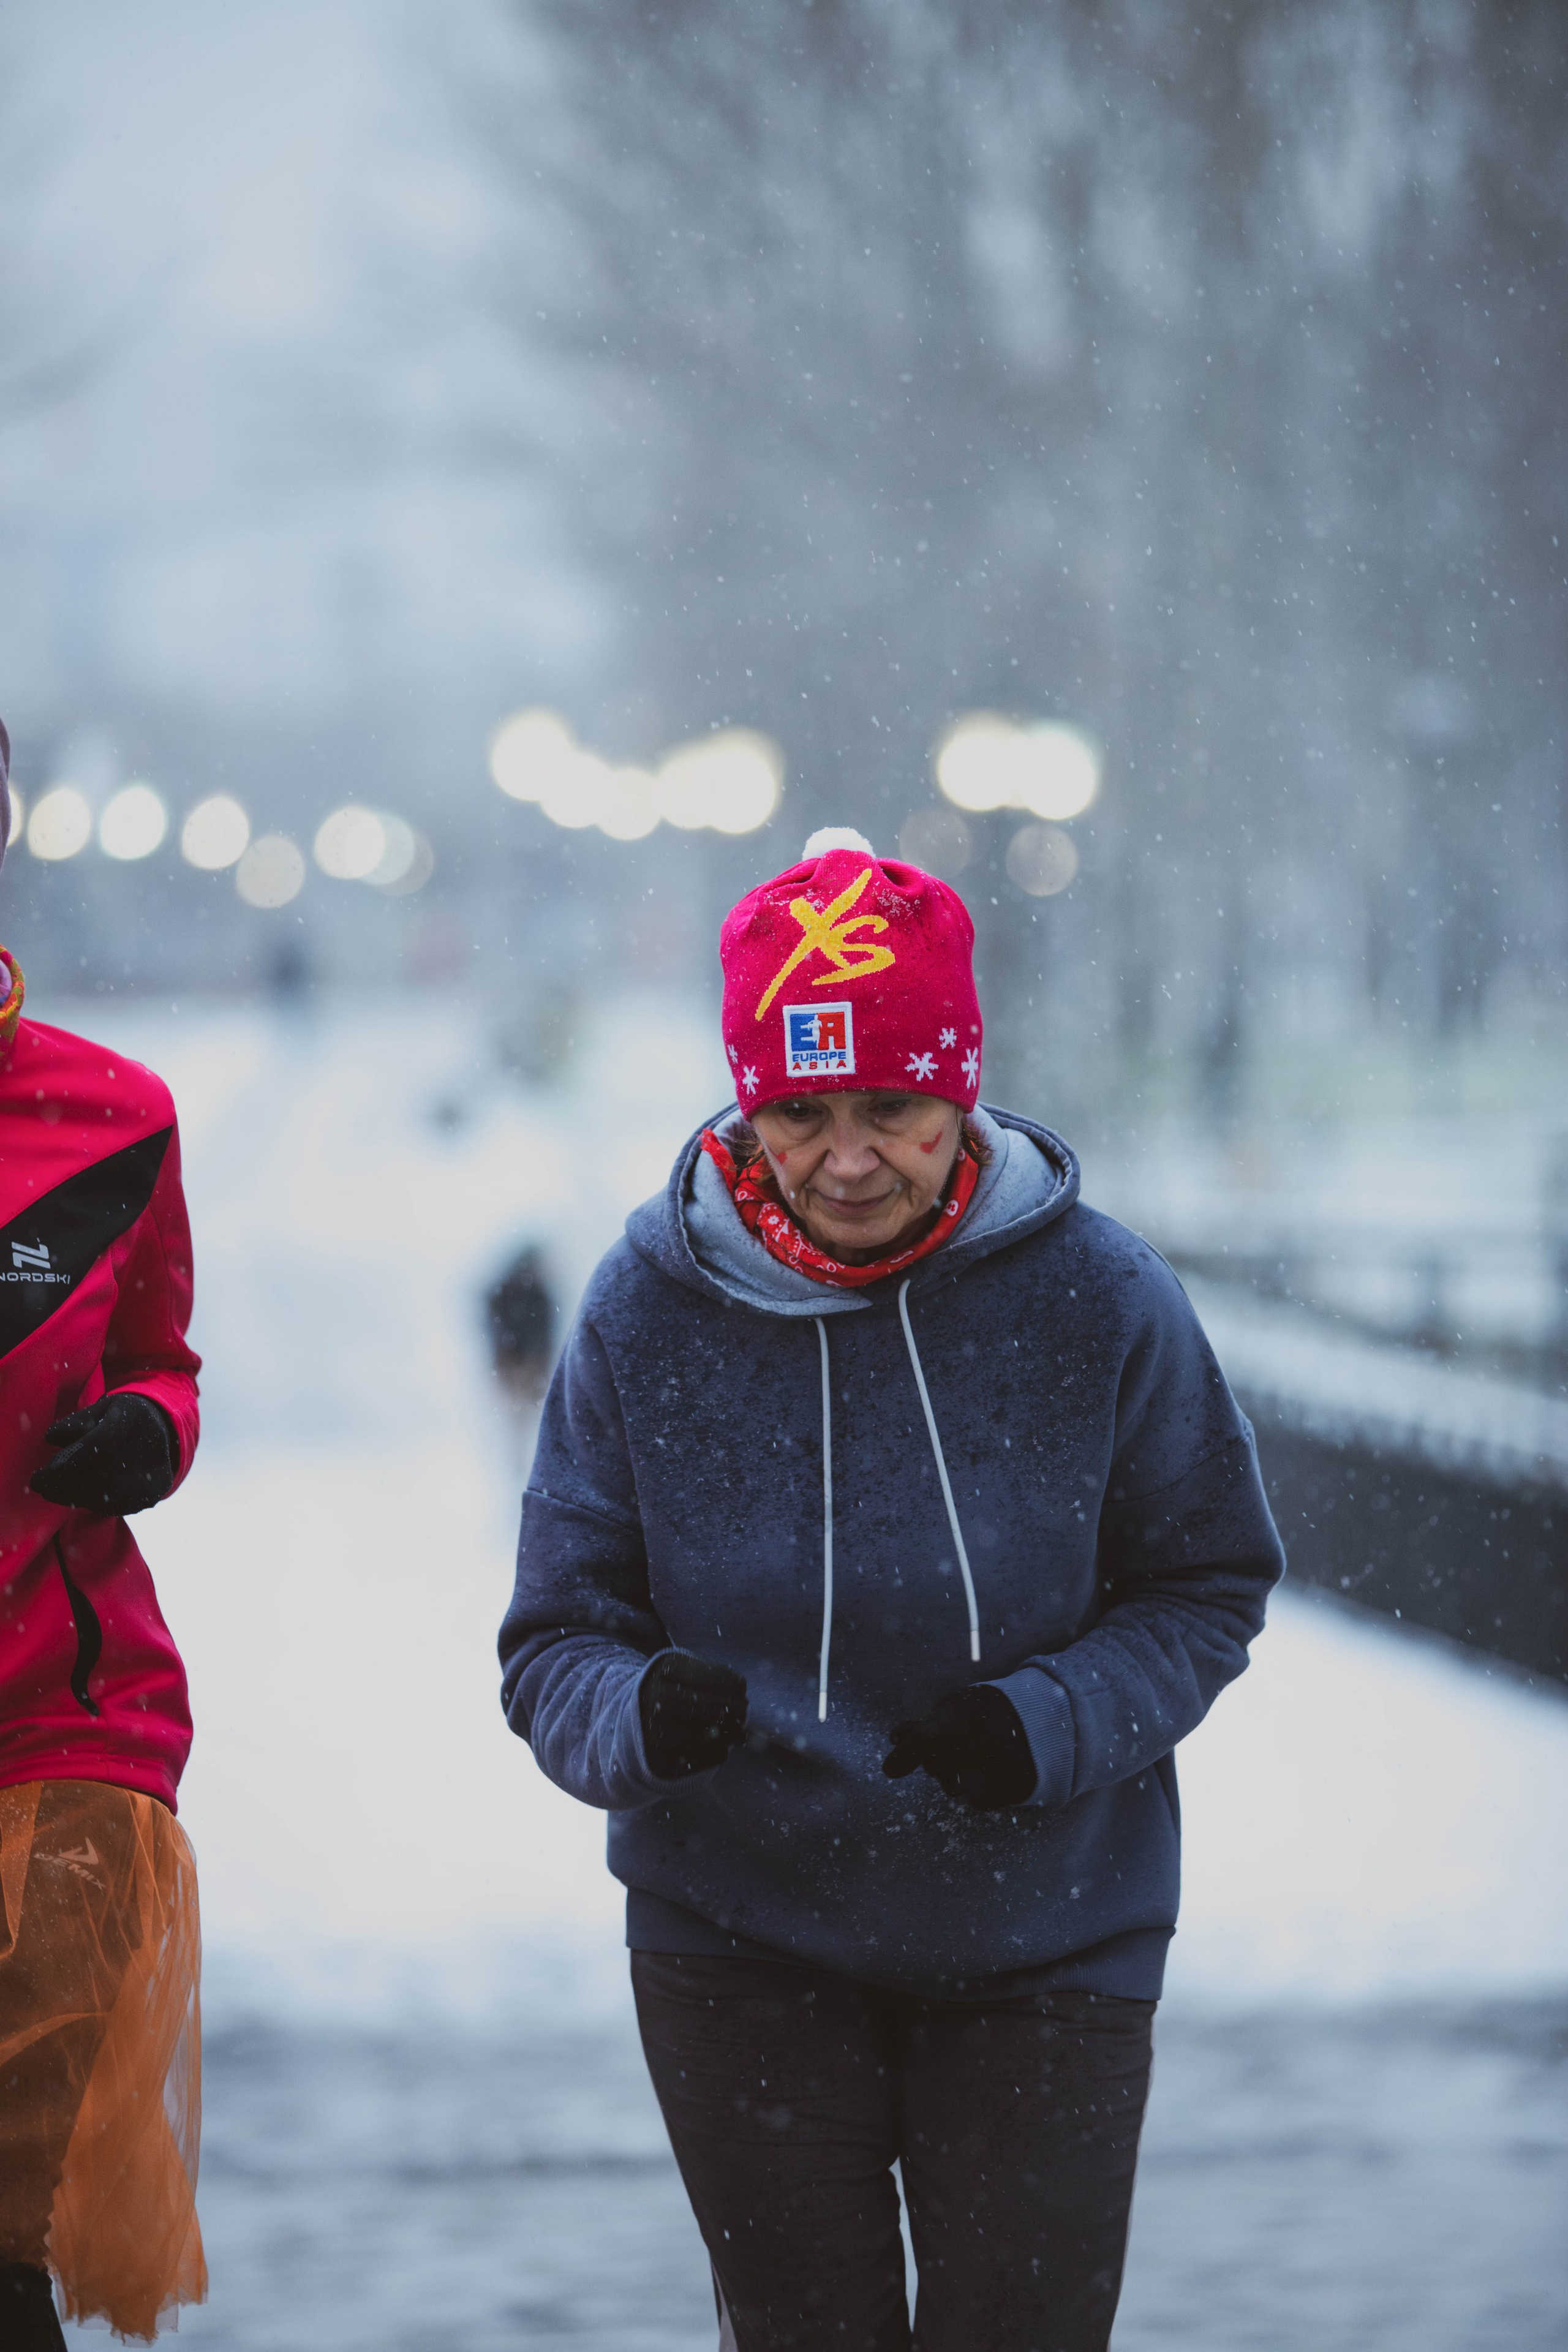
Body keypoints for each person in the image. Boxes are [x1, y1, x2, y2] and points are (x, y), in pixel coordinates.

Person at [499, 829, 1284, 2352]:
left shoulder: (1098, 1296)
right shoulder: (645, 1309)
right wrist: (640, 1717)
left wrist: (1043, 1723)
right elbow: (554, 1640)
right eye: (798, 1113)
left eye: (893, 1112)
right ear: (744, 1098)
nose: (847, 1159)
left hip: (1050, 1925)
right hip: (736, 1933)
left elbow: (1206, 1583)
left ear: (962, 1089)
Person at [0, 721, 206, 2349]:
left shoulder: (113, 1117)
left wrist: (147, 1430)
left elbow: (158, 1362)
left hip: (56, 1727)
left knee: (12, 2232)